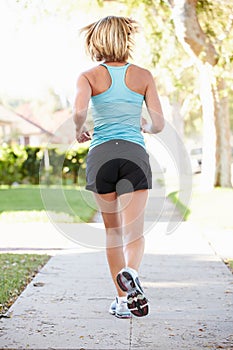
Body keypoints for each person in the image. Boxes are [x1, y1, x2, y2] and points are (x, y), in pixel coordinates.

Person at [73, 16, 164, 318]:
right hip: (133, 154)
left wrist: (79, 128)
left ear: (96, 41)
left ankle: (122, 301)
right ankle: (132, 274)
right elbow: (160, 124)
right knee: (134, 233)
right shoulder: (143, 76)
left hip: (101, 156)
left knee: (113, 233)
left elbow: (78, 111)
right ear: (127, 40)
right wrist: (145, 125)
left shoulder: (88, 76)